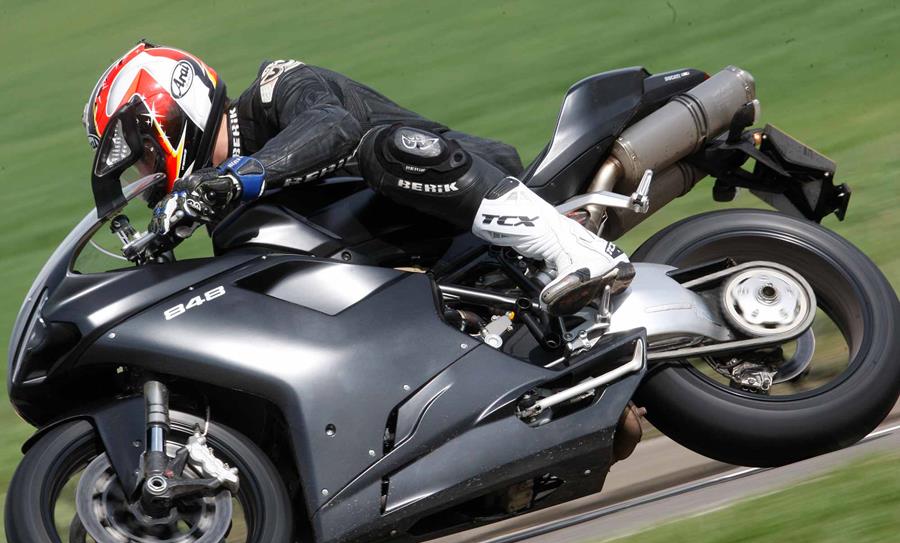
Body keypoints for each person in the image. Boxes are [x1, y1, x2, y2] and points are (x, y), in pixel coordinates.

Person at [84, 41, 632, 315]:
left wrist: (239, 176)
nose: (146, 172)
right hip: (429, 273)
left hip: (468, 191)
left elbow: (333, 127)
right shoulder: (227, 217)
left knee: (382, 151)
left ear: (175, 117)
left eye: (145, 155)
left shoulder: (279, 88)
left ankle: (571, 248)